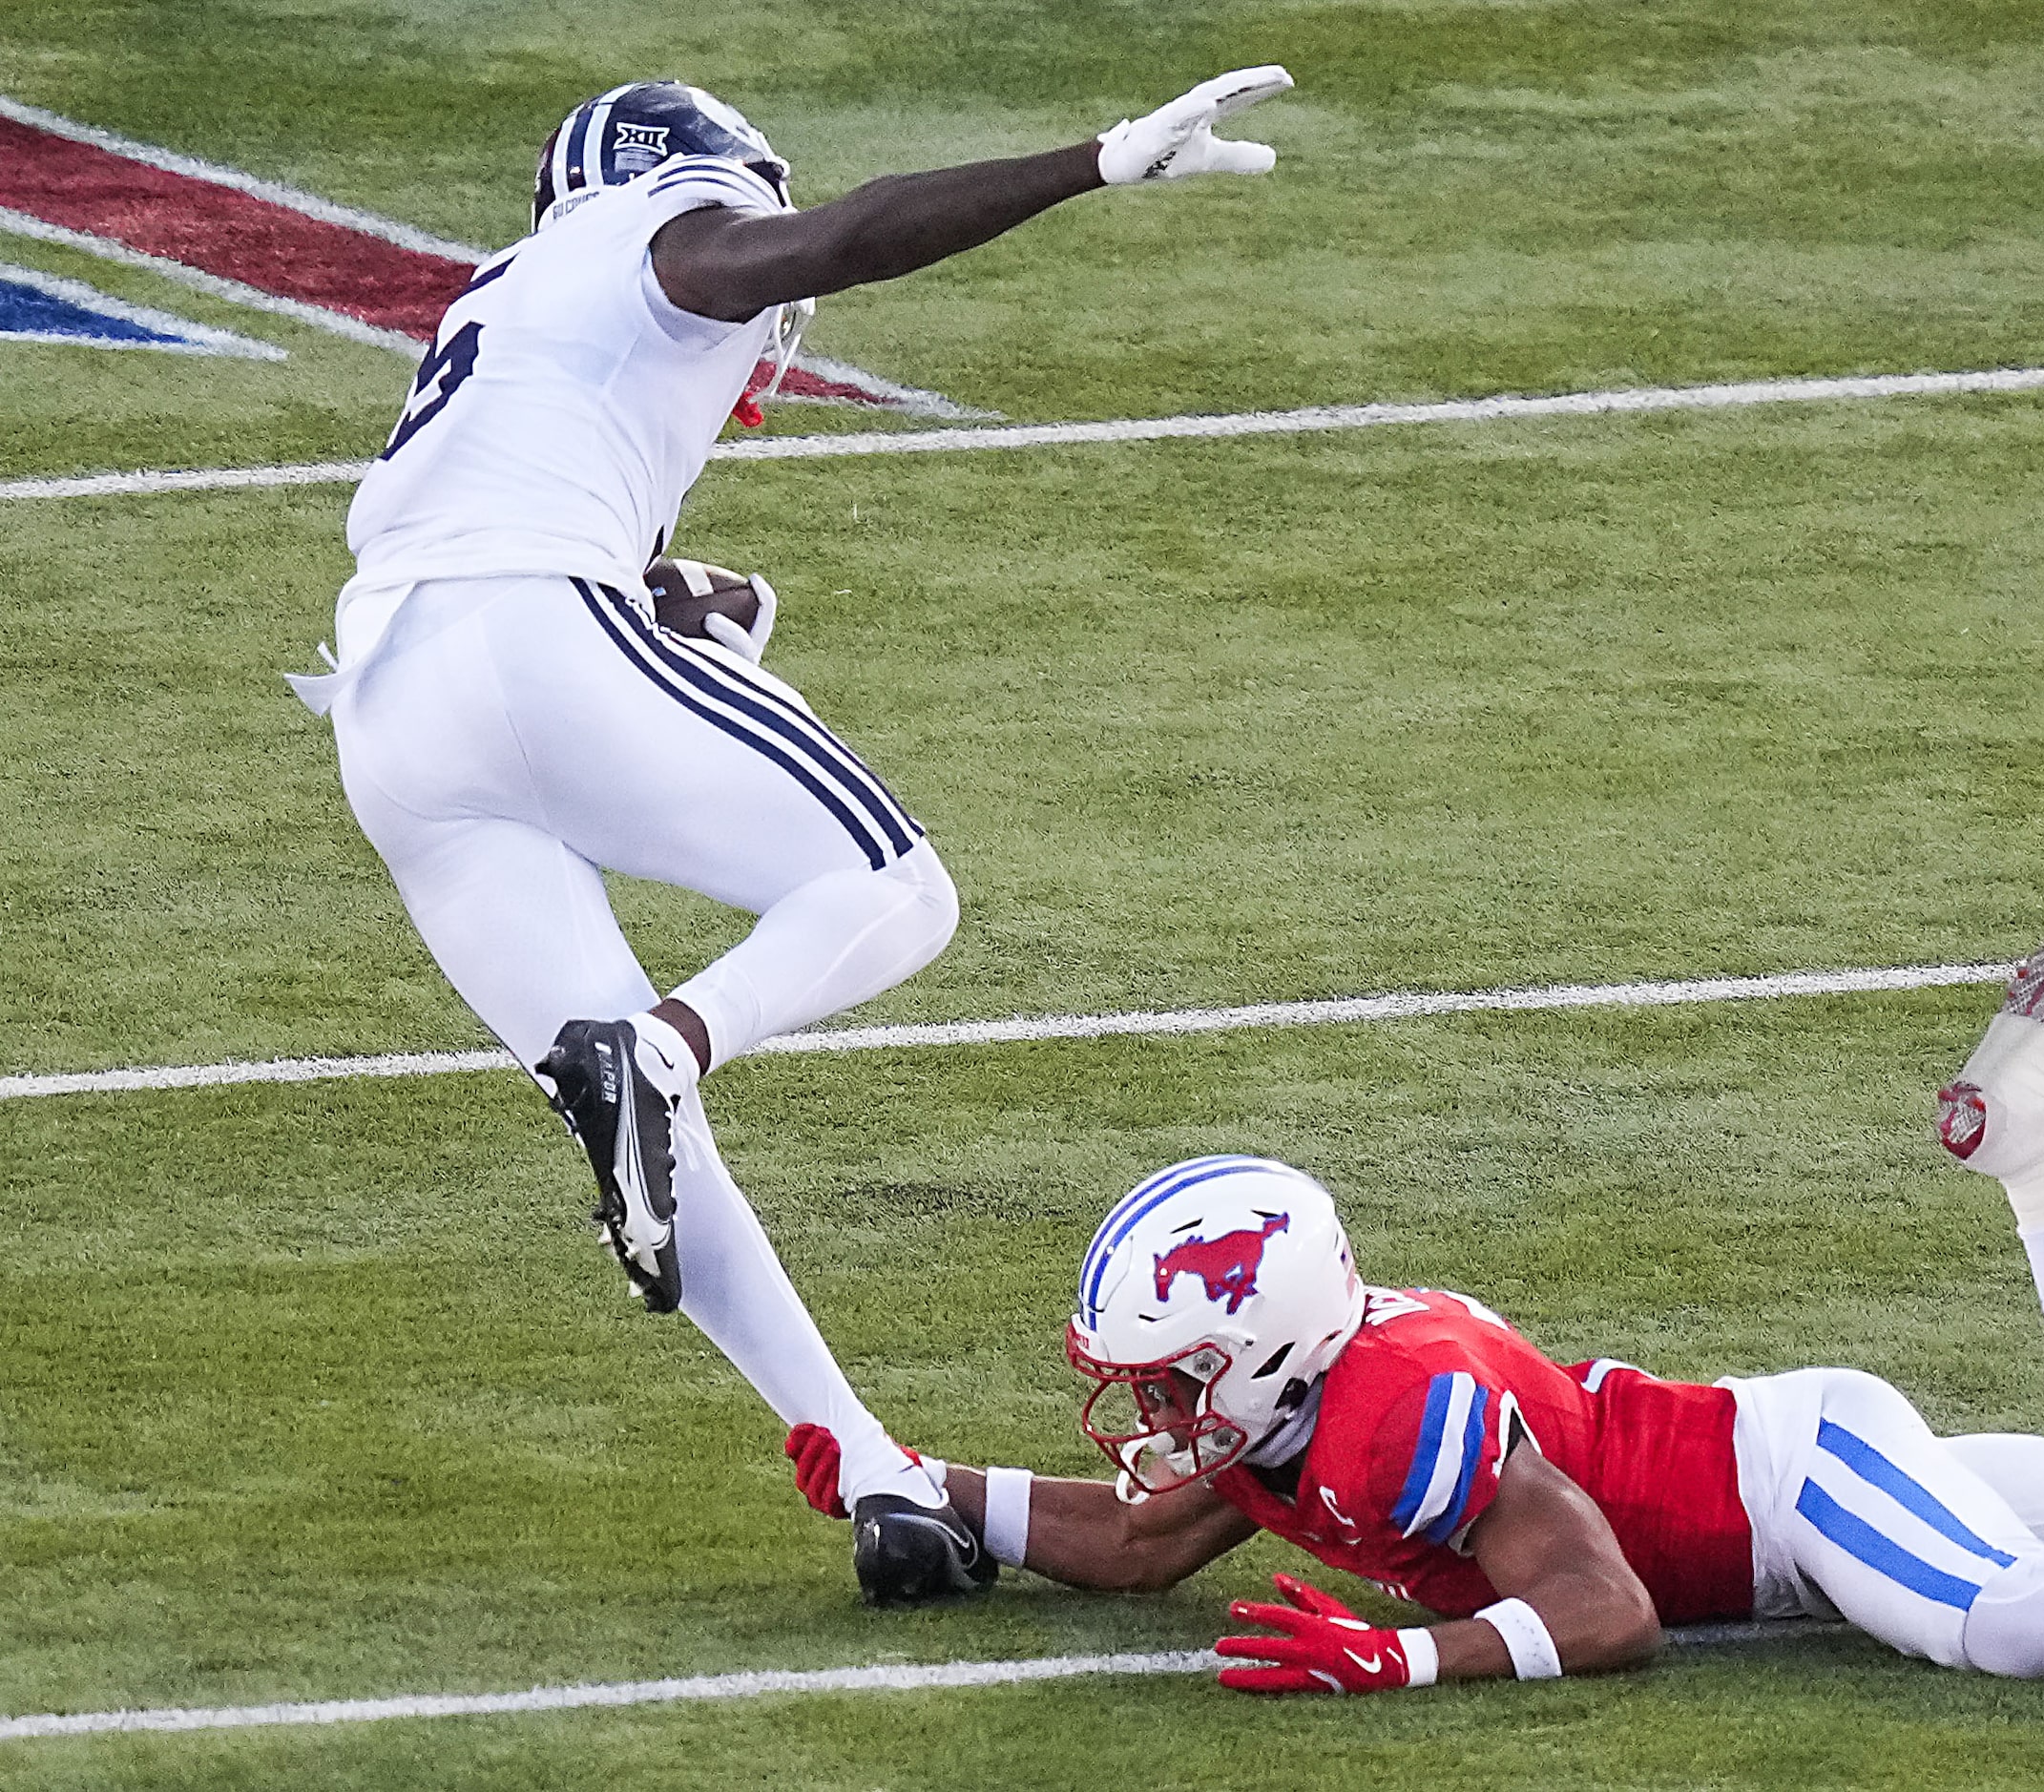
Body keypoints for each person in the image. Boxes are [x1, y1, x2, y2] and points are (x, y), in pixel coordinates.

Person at [288, 68, 1296, 1603]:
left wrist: (692, 607)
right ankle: (674, 1043)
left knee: (641, 1131)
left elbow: (535, 507)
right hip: (524, 631)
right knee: (891, 889)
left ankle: (878, 1471)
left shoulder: (508, 303)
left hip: (392, 710)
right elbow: (821, 245)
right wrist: (1088, 162)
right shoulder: (659, 226)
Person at [810, 913, 2044, 1686]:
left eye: (1174, 1377)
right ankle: (2038, 1163)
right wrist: (909, 1476)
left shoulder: (1393, 1408)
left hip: (1787, 1484)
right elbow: (1132, 1543)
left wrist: (1405, 1658)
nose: (1157, 1415)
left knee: (2023, 1633)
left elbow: (1610, 1608)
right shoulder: (1295, 1393)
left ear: (1261, 1342)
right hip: (1783, 1470)